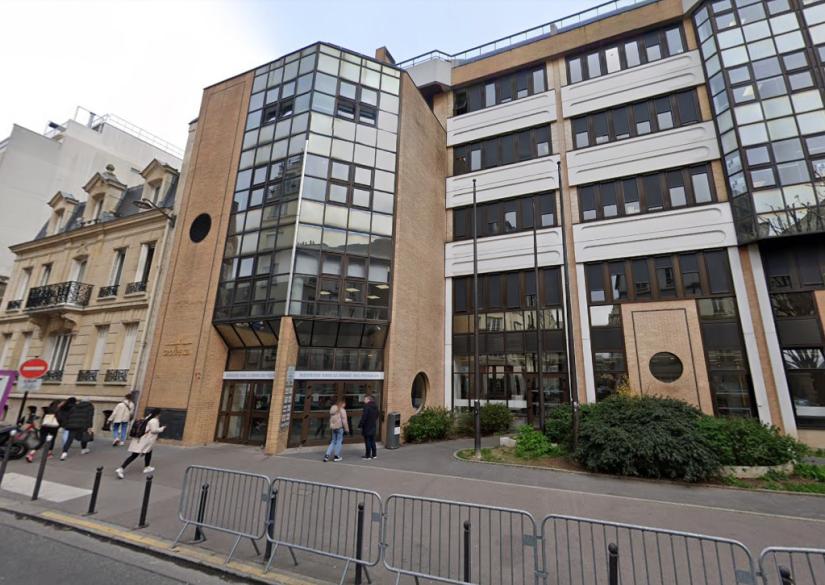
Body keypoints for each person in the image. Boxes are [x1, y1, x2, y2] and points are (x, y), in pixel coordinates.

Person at [115, 408, 164, 478]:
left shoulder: (147, 418)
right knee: (134, 455)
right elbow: (154, 430)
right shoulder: (154, 420)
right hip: (145, 441)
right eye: (160, 414)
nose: (160, 415)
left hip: (140, 439)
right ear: (158, 414)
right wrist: (162, 429)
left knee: (148, 452)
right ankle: (121, 468)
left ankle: (147, 467)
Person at [358, 395, 379, 460]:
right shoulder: (375, 406)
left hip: (367, 426)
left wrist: (360, 425)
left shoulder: (366, 406)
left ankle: (368, 456)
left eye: (365, 399)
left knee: (367, 441)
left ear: (368, 400)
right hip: (373, 425)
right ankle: (374, 455)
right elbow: (377, 415)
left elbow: (364, 417)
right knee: (372, 441)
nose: (364, 400)